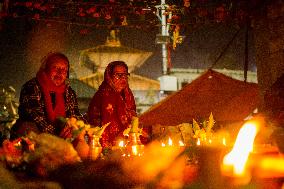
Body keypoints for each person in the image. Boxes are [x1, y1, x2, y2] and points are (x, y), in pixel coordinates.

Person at [11, 52, 83, 139]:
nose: (60, 73)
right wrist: (56, 135)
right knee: (28, 128)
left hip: (62, 135)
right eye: (55, 68)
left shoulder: (69, 92)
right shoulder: (32, 86)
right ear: (46, 69)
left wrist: (74, 127)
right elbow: (36, 116)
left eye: (64, 69)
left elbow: (74, 114)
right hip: (37, 134)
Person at [87, 61, 137, 148]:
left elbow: (133, 119)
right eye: (118, 75)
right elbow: (104, 126)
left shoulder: (128, 95)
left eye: (125, 75)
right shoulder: (104, 95)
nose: (123, 78)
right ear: (109, 76)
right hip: (103, 145)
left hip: (126, 143)